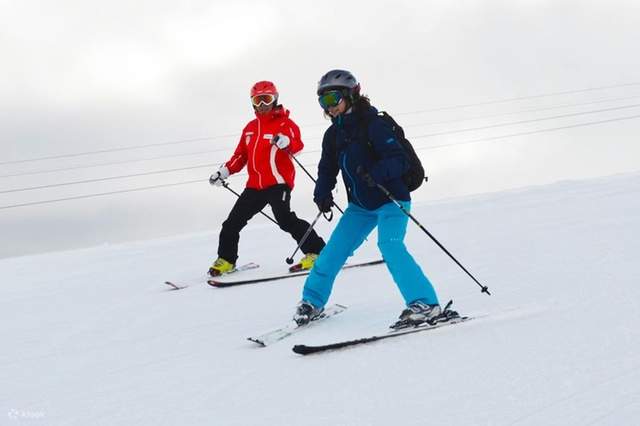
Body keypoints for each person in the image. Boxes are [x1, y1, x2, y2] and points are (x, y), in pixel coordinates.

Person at [293, 70, 456, 329]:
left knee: (390, 245)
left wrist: (375, 173)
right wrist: (322, 192)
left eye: (333, 99)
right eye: (323, 102)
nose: (329, 107)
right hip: (360, 206)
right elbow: (327, 168)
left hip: (392, 200)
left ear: (350, 95)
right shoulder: (333, 134)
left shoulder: (374, 124)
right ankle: (312, 301)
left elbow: (399, 159)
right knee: (332, 252)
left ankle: (425, 303)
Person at [208, 80, 325, 276]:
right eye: (258, 101)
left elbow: (297, 145)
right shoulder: (250, 128)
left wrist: (287, 142)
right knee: (231, 223)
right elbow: (240, 156)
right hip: (254, 186)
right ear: (252, 103)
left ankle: (316, 252)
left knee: (285, 220)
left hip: (278, 184)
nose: (262, 105)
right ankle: (227, 260)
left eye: (266, 99)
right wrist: (225, 171)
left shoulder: (285, 124)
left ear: (275, 99)